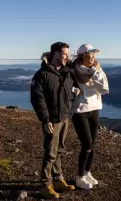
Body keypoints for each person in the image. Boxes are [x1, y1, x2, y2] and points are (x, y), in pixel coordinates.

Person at [30, 41, 80, 199]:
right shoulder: (42, 74)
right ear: (55, 54)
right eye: (65, 54)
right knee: (50, 153)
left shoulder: (68, 72)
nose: (67, 57)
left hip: (65, 118)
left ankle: (58, 180)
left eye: (68, 54)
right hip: (52, 120)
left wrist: (73, 95)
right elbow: (38, 99)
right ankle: (45, 185)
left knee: (60, 151)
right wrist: (45, 120)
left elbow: (69, 92)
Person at [70, 43, 109, 190]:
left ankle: (87, 172)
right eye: (89, 56)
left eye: (93, 56)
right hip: (80, 111)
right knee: (87, 144)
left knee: (92, 145)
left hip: (94, 108)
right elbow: (69, 87)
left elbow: (105, 88)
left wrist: (95, 70)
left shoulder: (96, 69)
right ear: (82, 57)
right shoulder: (74, 70)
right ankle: (80, 177)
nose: (92, 59)